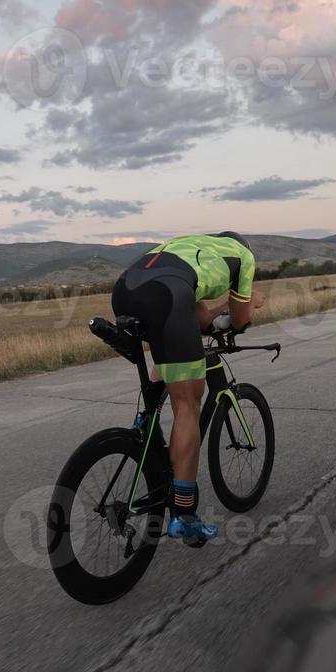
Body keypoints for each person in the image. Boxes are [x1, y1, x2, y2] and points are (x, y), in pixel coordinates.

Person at [110, 232, 266, 545]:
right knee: (188, 405)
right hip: (166, 296)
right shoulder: (244, 258)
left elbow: (199, 317)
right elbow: (239, 320)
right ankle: (184, 515)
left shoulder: (193, 249)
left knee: (171, 363)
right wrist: (248, 303)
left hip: (126, 290)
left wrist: (214, 316)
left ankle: (145, 430)